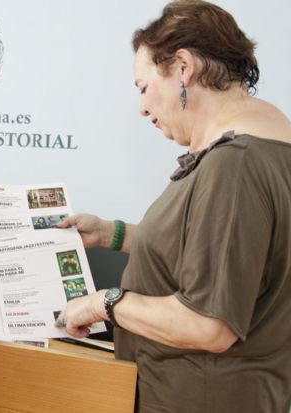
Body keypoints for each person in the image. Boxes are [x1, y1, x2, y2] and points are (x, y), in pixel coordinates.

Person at [56, 1, 291, 412]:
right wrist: (112, 233)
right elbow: (220, 253)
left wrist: (103, 303)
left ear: (184, 67)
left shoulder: (234, 164)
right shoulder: (267, 146)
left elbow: (208, 325)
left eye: (143, 87)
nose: (143, 108)